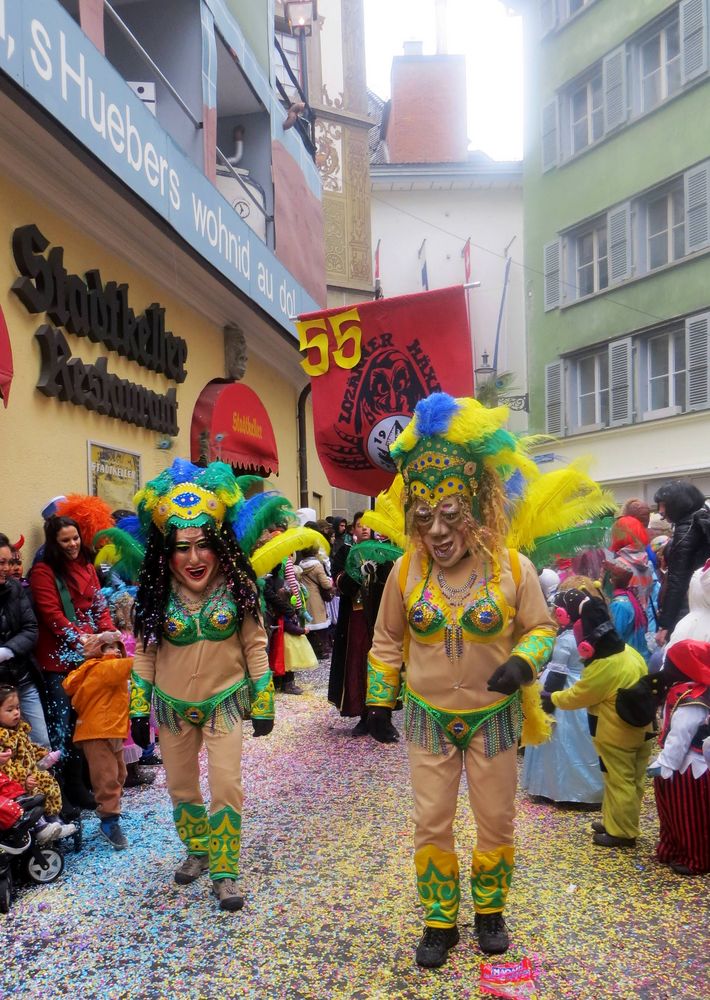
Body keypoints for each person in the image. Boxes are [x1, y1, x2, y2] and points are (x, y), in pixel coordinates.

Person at [365, 393, 558, 966]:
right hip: (428, 718)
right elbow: (385, 640)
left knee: (496, 818)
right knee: (431, 819)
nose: (438, 530)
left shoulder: (511, 567)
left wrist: (524, 661)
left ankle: (491, 911)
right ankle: (438, 920)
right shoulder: (405, 570)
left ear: (477, 502)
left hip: (493, 720)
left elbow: (542, 628)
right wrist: (380, 701)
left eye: (451, 513)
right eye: (424, 517)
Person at [130, 459, 275, 912]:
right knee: (181, 787)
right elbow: (145, 652)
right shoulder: (155, 595)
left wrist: (263, 699)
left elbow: (255, 644)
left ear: (219, 545)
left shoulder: (238, 588)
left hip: (225, 704)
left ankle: (226, 870)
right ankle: (198, 850)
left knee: (227, 785)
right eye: (181, 548)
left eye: (202, 546)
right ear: (165, 552)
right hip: (173, 707)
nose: (193, 559)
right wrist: (139, 706)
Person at [543, 590, 655, 849]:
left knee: (620, 780)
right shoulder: (627, 652)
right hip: (640, 727)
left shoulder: (605, 666)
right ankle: (615, 821)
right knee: (627, 778)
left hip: (618, 732)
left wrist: (553, 698)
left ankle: (623, 833)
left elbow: (580, 695)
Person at [29, 515, 120, 810]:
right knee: (61, 727)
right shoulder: (43, 572)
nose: (72, 545)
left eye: (75, 538)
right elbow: (52, 615)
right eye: (65, 540)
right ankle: (61, 794)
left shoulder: (86, 566)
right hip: (59, 662)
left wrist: (107, 635)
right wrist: (83, 641)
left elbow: (98, 604)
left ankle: (80, 785)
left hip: (88, 659)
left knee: (84, 724)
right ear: (53, 543)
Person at [521, 578, 603, 807]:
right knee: (583, 743)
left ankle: (563, 789)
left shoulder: (566, 641)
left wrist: (545, 707)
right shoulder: (590, 634)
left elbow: (557, 677)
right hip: (584, 691)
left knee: (562, 744)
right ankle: (587, 790)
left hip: (565, 695)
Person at [62, 638, 134, 850]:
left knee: (120, 774)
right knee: (107, 778)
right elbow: (132, 666)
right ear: (96, 652)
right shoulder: (101, 667)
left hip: (110, 730)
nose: (116, 651)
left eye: (117, 647)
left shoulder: (105, 668)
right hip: (97, 733)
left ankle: (110, 811)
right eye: (108, 647)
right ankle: (109, 822)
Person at [649, 639, 710, 876]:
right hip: (678, 765)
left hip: (687, 768)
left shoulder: (691, 699)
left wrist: (665, 763)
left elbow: (681, 736)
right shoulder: (686, 690)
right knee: (671, 813)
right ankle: (671, 847)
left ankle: (695, 857)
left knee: (689, 817)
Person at [0, 683, 74, 842]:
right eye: (9, 710)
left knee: (49, 783)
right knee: (30, 795)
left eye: (18, 708)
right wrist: (24, 778)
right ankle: (39, 827)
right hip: (14, 781)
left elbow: (29, 748)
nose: (16, 712)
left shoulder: (19, 729)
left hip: (29, 773)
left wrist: (43, 754)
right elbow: (7, 766)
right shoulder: (2, 737)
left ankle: (54, 821)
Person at [328, 512, 377, 736]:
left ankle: (381, 713)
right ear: (353, 531)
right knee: (357, 663)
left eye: (369, 525)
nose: (365, 528)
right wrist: (357, 573)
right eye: (359, 525)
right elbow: (340, 582)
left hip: (379, 618)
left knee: (380, 662)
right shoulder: (345, 553)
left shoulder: (383, 553)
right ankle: (363, 713)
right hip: (355, 618)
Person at [0, 534, 50, 746]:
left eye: (9, 562)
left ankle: (42, 780)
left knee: (41, 742)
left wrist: (7, 651)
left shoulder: (15, 588)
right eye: (1, 562)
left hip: (22, 679)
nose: (7, 568)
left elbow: (30, 628)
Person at [653, 480, 710, 643]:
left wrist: (665, 625)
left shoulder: (687, 528)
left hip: (689, 604)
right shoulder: (700, 519)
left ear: (677, 504)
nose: (660, 511)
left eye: (663, 505)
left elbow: (678, 580)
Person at [299, 544, 333, 660]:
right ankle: (322, 650)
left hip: (305, 597)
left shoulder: (300, 565)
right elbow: (326, 584)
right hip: (316, 597)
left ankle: (311, 650)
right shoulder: (317, 565)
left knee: (309, 624)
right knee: (320, 624)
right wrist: (329, 580)